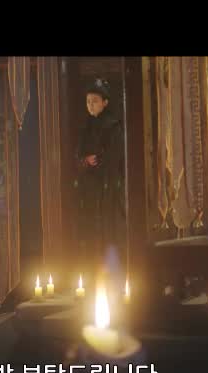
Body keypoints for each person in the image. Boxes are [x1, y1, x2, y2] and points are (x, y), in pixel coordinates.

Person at [74, 78, 126, 268]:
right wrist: (84, 162)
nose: (91, 105)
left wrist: (99, 162)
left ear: (105, 102)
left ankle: (111, 267)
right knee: (90, 229)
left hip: (108, 185)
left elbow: (115, 156)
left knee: (109, 227)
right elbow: (78, 157)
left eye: (95, 101)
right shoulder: (85, 127)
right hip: (89, 187)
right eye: (88, 101)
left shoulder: (113, 126)